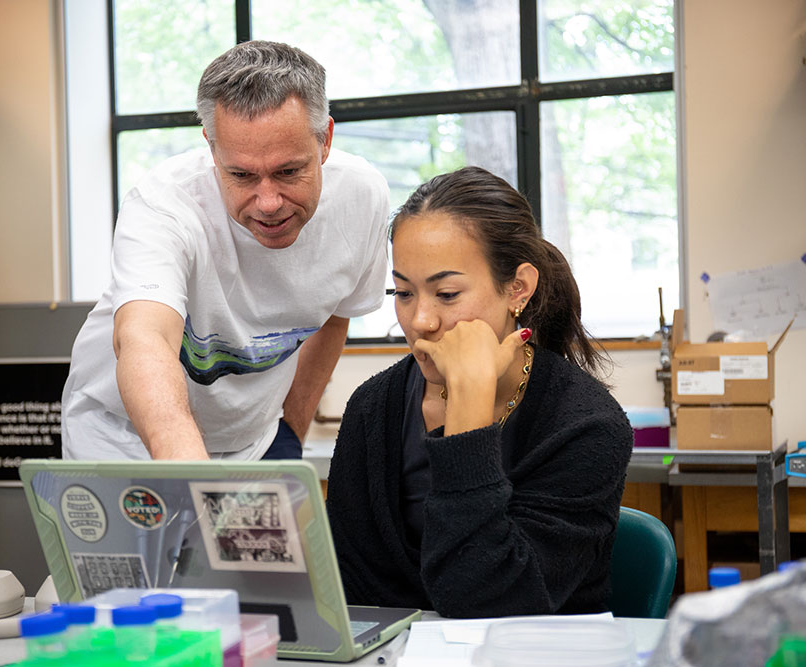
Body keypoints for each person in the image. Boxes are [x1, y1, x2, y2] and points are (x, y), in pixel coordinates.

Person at [325, 166, 633, 618]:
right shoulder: (374, 407)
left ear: (518, 289)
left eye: (447, 294)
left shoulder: (586, 424)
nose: (420, 321)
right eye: (404, 293)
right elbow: (348, 592)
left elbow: (486, 598)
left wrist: (468, 402)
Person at [61, 41, 389, 462]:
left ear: (324, 140)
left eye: (288, 172)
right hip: (121, 439)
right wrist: (191, 475)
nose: (268, 202)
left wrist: (290, 433)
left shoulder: (361, 197)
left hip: (252, 441)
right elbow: (145, 337)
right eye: (241, 175)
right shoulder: (163, 205)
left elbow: (335, 317)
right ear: (212, 148)